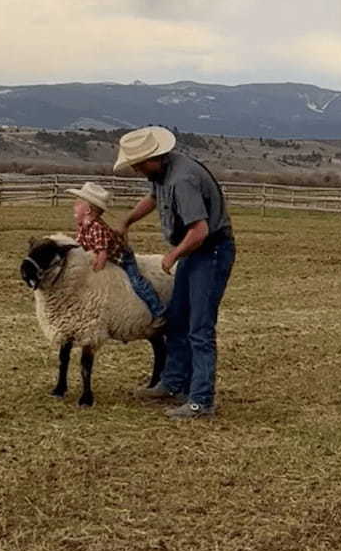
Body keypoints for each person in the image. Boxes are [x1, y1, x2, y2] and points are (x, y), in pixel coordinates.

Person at [114, 127, 235, 419]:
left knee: (199, 327)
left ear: (154, 157)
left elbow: (200, 230)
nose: (138, 171)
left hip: (210, 251)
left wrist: (172, 255)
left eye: (140, 165)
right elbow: (154, 198)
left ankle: (201, 401)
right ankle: (173, 382)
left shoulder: (183, 180)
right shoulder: (163, 173)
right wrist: (127, 220)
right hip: (195, 252)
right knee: (178, 320)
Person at [66, 181, 166, 320]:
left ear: (87, 210)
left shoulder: (97, 228)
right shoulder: (83, 226)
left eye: (77, 204)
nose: (74, 206)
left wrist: (97, 272)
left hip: (123, 257)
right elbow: (80, 245)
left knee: (136, 281)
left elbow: (103, 253)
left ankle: (158, 309)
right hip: (110, 255)